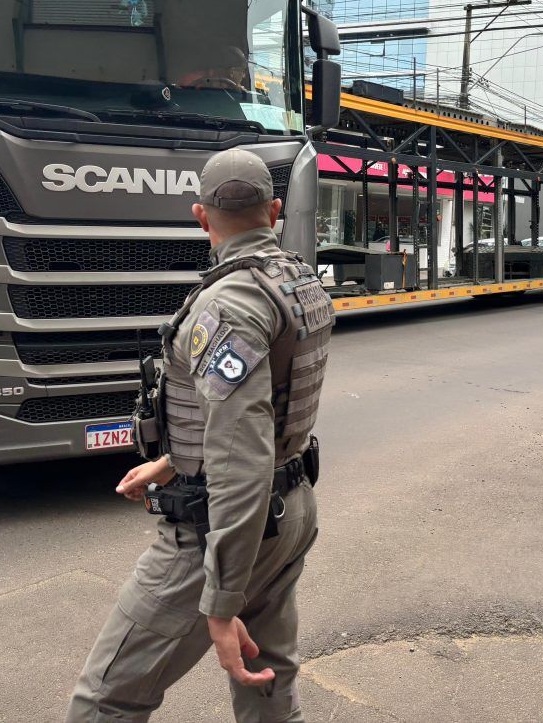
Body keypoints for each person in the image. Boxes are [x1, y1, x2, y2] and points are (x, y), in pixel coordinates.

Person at [68, 147, 334, 723]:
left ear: (200, 216)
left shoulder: (229, 305)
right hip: (291, 509)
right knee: (270, 679)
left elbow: (242, 460)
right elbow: (270, 410)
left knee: (104, 700)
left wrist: (219, 602)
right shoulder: (296, 282)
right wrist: (171, 462)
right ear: (276, 209)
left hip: (225, 530)